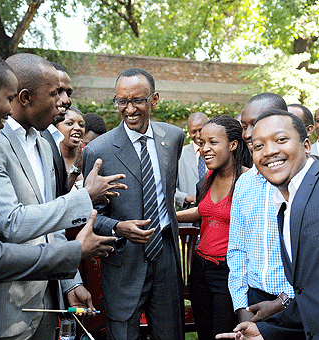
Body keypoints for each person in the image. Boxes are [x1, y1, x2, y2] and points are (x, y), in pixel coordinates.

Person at [0, 47, 115, 340]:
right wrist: (84, 202)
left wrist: (69, 281)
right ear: (23, 98)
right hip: (2, 309)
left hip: (45, 304)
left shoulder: (46, 144)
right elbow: (7, 225)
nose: (64, 102)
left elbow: (53, 217)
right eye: (55, 93)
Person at [218, 109, 319, 340]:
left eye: (281, 139)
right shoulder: (283, 208)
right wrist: (266, 331)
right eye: (259, 145)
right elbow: (311, 296)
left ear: (306, 146)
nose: (270, 151)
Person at [82, 67, 185, 340]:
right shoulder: (98, 150)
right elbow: (90, 214)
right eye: (121, 101)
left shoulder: (173, 137)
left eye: (138, 100)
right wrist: (117, 227)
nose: (129, 109)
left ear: (154, 99)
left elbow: (166, 189)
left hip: (165, 255)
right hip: (123, 261)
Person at [176, 115, 252, 339]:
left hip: (228, 272)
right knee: (204, 334)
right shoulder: (209, 176)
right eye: (202, 143)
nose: (204, 149)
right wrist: (170, 216)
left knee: (223, 334)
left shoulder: (249, 180)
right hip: (200, 268)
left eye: (213, 142)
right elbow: (204, 210)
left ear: (233, 144)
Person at [228, 93, 295, 324]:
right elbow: (237, 250)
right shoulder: (245, 183)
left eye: (254, 124)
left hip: (298, 302)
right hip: (254, 301)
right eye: (244, 126)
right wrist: (241, 306)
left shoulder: (306, 181)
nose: (247, 133)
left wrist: (284, 301)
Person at [40, 62, 73, 197]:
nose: (66, 100)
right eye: (58, 92)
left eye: (69, 93)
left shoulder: (52, 137)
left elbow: (59, 194)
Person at [175, 112, 208, 227]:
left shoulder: (219, 152)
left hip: (213, 219)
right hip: (188, 222)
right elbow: (168, 189)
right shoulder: (179, 155)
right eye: (193, 132)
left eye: (201, 130)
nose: (198, 135)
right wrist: (187, 197)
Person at [56, 106, 86, 190]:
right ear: (56, 128)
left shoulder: (89, 159)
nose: (77, 128)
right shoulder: (50, 161)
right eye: (69, 123)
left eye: (81, 125)